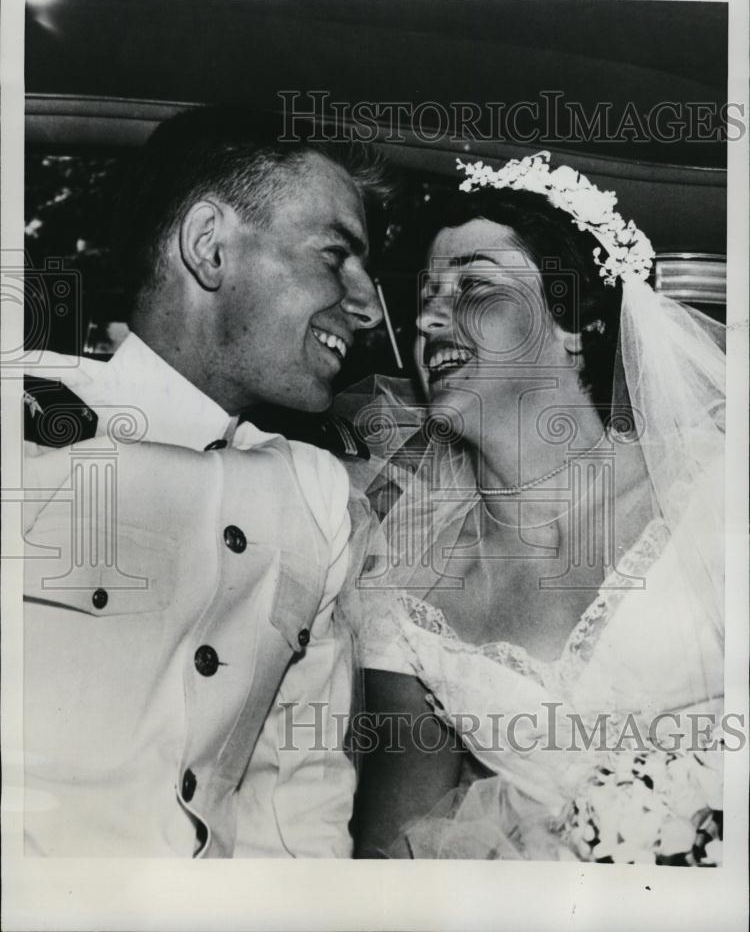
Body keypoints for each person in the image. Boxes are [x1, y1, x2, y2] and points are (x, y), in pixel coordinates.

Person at [21, 105, 387, 857]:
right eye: (334, 256)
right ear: (209, 247)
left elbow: (297, 804)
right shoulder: (21, 427)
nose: (369, 306)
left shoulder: (318, 496)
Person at [347, 152, 725, 862]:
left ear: (572, 325)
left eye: (473, 287)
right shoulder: (400, 591)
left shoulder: (713, 494)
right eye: (425, 295)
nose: (429, 317)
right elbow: (398, 849)